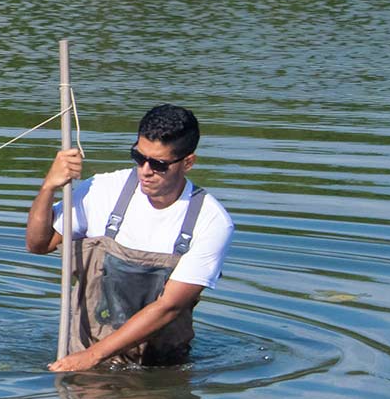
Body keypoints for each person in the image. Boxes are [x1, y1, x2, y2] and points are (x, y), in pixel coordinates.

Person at [26, 103, 234, 373]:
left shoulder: (211, 221)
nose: (145, 170)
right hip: (80, 360)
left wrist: (92, 356)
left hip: (158, 370)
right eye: (138, 157)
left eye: (158, 164)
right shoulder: (102, 190)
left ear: (188, 162)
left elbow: (170, 307)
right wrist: (48, 187)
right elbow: (38, 244)